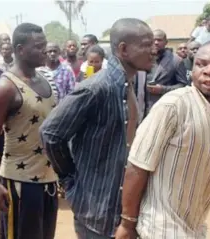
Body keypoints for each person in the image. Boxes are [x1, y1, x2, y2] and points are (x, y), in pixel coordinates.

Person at [40, 18, 154, 239]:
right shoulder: (96, 88)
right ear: (124, 49)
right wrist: (71, 181)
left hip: (120, 210)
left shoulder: (128, 85)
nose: (153, 50)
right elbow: (50, 133)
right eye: (146, 45)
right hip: (95, 213)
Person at [116, 40, 210, 239]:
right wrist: (127, 224)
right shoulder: (174, 105)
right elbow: (137, 166)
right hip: (159, 229)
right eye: (201, 64)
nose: (209, 70)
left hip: (193, 229)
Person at [0, 22, 58, 239]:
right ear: (20, 49)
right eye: (38, 46)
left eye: (44, 45)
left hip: (48, 180)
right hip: (20, 183)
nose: (44, 50)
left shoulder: (46, 81)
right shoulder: (6, 88)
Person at [145, 29, 188, 114]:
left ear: (166, 42)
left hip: (165, 109)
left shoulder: (176, 61)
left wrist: (163, 89)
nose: (156, 42)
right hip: (143, 110)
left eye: (159, 40)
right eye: (153, 40)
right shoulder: (142, 59)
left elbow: (183, 86)